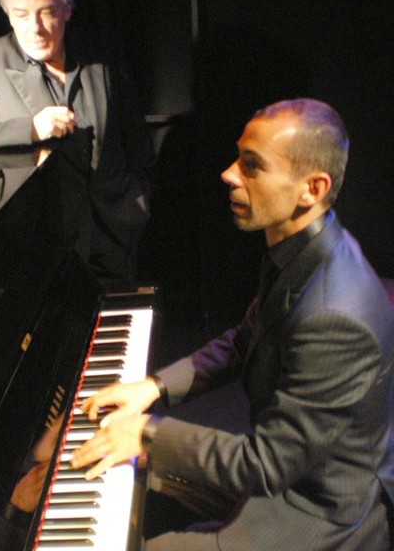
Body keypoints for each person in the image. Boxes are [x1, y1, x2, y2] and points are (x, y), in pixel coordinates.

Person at [70, 98, 394, 550]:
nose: (228, 174)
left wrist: (146, 431)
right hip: (282, 469)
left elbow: (266, 465)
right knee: (119, 479)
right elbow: (244, 340)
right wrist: (155, 388)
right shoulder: (302, 251)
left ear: (312, 188)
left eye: (251, 165)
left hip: (317, 513)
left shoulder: (334, 315)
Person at [0, 0, 155, 289]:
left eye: (46, 12)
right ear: (8, 15)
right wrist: (31, 129)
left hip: (114, 231)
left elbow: (134, 134)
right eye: (21, 14)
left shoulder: (102, 52)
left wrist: (138, 200)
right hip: (37, 242)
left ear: (67, 10)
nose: (34, 28)